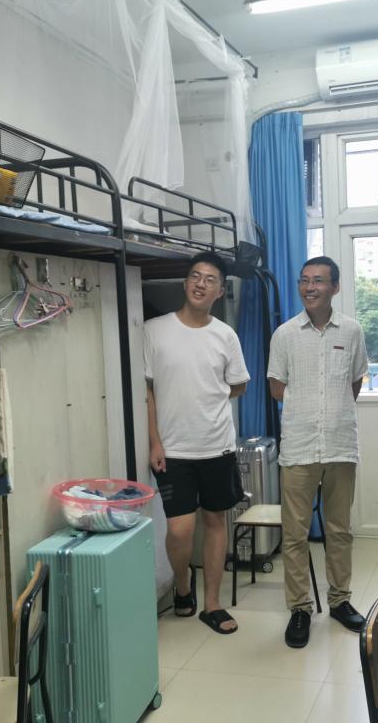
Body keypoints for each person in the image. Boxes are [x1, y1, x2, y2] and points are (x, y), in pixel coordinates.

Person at [145, 252, 250, 635]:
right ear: (185, 282)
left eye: (210, 279)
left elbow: (238, 384)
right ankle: (183, 583)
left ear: (220, 291)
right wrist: (154, 442)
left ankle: (212, 604)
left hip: (217, 445)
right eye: (195, 276)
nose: (200, 283)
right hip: (173, 450)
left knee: (215, 521)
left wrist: (209, 397)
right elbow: (147, 391)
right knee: (179, 530)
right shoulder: (154, 330)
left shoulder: (225, 335)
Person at [268, 256, 369, 648]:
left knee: (339, 530)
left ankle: (340, 601)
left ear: (335, 287)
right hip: (299, 446)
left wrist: (333, 412)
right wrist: (308, 409)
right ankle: (300, 608)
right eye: (304, 280)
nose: (309, 287)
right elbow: (277, 387)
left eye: (319, 280)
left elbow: (355, 381)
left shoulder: (352, 330)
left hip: (341, 445)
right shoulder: (285, 334)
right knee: (294, 534)